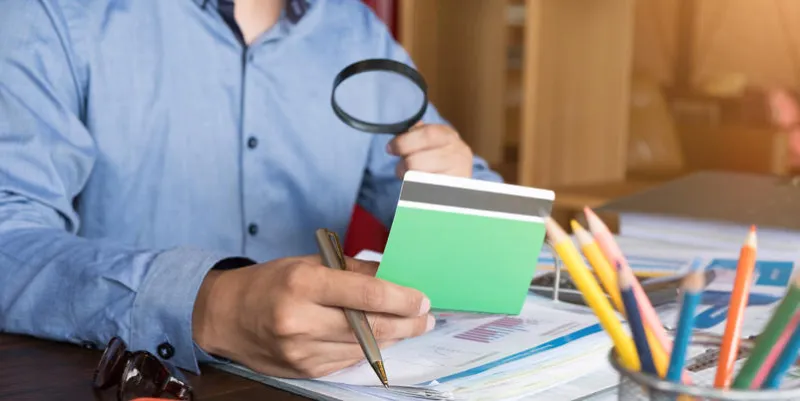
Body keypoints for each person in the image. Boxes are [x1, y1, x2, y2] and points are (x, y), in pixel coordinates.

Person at [0, 0, 502, 379]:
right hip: (125, 379)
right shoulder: (50, 14)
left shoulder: (355, 29)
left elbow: (491, 226)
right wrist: (209, 304)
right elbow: (8, 238)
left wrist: (454, 199)